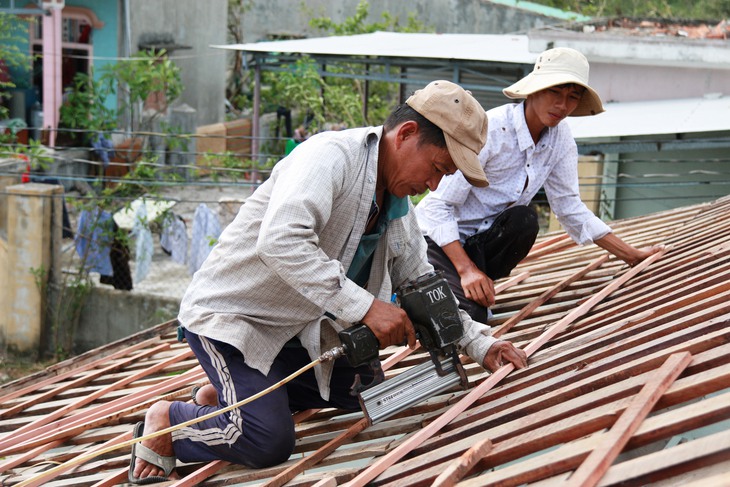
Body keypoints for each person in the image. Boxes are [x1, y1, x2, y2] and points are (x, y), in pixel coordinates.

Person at [130, 80, 528, 483]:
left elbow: (423, 283)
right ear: (406, 135)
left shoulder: (398, 210)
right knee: (268, 441)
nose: (435, 185)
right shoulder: (329, 157)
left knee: (363, 393)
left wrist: (482, 343)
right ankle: (171, 422)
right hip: (238, 320)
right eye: (438, 168)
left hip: (299, 329)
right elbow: (281, 240)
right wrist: (368, 307)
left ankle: (234, 399)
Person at [414, 48, 665, 324]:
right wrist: (466, 269)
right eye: (555, 92)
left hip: (481, 243)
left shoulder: (560, 140)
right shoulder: (493, 130)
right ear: (534, 90)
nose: (562, 105)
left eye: (572, 97)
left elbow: (569, 207)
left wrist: (631, 255)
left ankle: (471, 286)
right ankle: (441, 285)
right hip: (438, 240)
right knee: (466, 321)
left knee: (525, 220)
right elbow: (438, 206)